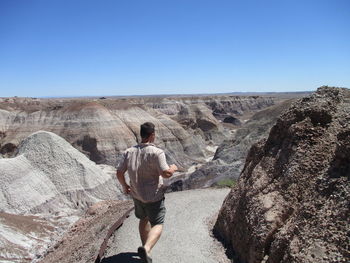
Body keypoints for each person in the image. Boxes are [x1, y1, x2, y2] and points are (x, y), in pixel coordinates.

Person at [116, 122, 178, 263]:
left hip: (137, 195)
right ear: (152, 135)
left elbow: (119, 172)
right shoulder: (157, 152)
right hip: (154, 196)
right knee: (158, 223)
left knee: (143, 219)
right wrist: (173, 168)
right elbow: (166, 173)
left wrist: (125, 186)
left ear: (141, 134)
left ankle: (145, 250)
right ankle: (147, 248)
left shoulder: (129, 152)